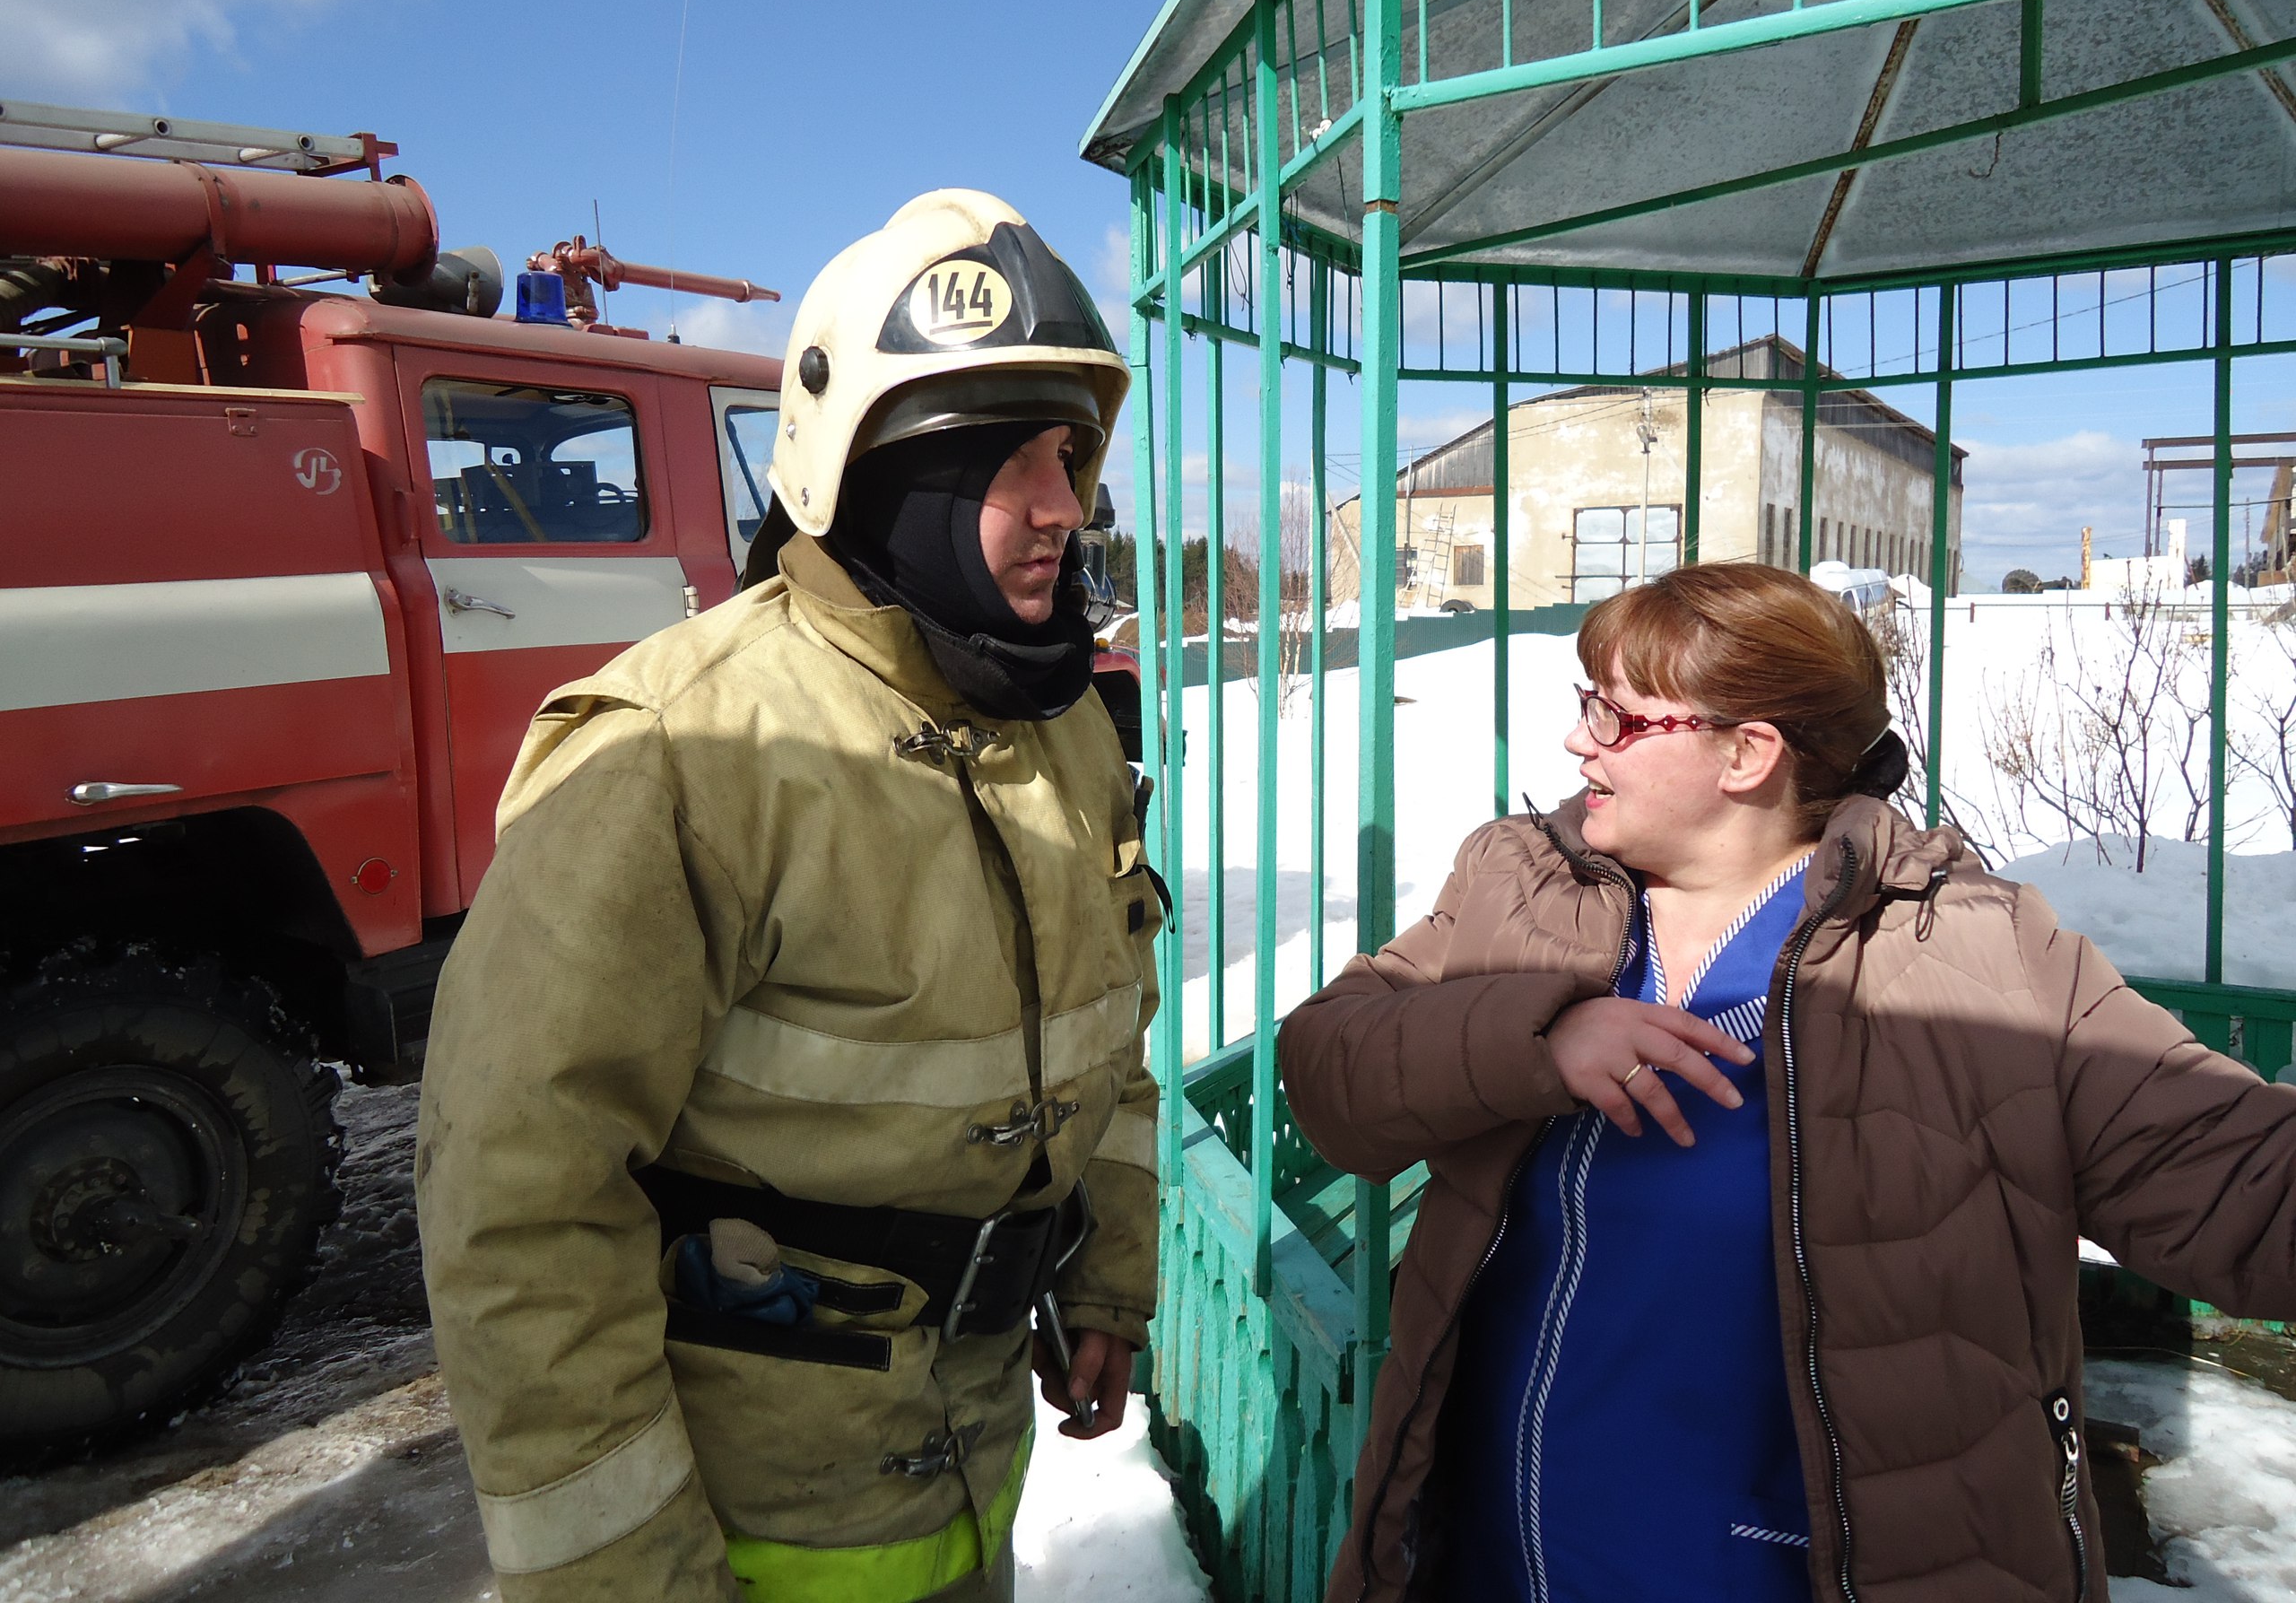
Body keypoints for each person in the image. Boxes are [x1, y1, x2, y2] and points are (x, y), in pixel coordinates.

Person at [1278, 561, 2296, 1603]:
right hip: (1490, 1566)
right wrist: (1534, 1040)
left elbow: (2241, 1186)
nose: (1578, 740)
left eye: (1617, 717)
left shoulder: (1975, 956)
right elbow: (1325, 1068)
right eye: (1584, 703)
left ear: (1747, 752)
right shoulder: (1521, 893)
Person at [415, 190, 1161, 1603]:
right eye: (1012, 459)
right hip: (739, 1536)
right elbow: (518, 1200)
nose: (1066, 506)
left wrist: (1108, 1274)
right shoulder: (680, 754)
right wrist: (622, 1575)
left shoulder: (1061, 726)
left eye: (1071, 454)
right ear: (869, 472)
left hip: (969, 1469)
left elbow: (1108, 1035)